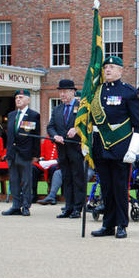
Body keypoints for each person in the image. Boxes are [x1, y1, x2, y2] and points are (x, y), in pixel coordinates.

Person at [89, 56, 139, 239]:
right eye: (105, 67)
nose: (107, 70)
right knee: (105, 188)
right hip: (100, 147)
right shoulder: (95, 91)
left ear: (121, 70)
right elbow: (90, 120)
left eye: (112, 67)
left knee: (120, 188)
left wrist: (133, 150)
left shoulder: (128, 92)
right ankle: (108, 225)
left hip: (121, 148)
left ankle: (122, 224)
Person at [47, 79, 85, 219]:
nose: (62, 94)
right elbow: (50, 127)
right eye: (60, 92)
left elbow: (88, 124)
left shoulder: (81, 107)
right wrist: (55, 135)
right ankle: (68, 207)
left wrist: (76, 129)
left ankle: (78, 208)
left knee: (78, 179)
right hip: (62, 150)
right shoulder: (57, 109)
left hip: (77, 149)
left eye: (65, 91)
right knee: (66, 179)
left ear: (73, 92)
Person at [2, 89, 40, 217]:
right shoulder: (12, 115)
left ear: (28, 99)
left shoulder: (33, 115)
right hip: (12, 153)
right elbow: (10, 136)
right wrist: (8, 153)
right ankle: (15, 205)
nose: (18, 99)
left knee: (26, 181)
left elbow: (36, 136)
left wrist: (36, 154)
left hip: (26, 153)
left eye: (21, 97)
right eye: (17, 97)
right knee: (13, 180)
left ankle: (26, 206)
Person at [34, 139, 59, 205]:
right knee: (33, 168)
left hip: (55, 163)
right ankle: (33, 194)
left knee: (53, 168)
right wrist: (42, 158)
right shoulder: (46, 140)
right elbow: (42, 153)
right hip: (45, 163)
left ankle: (52, 195)